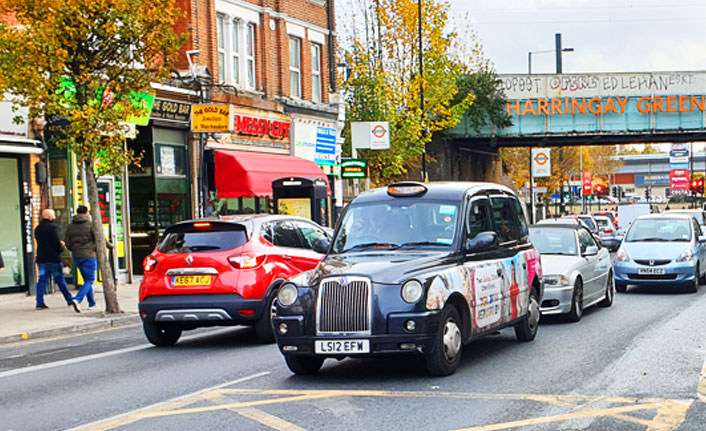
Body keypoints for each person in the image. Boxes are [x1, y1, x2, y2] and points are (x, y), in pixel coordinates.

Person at [34, 209, 74, 310]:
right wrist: (61, 246)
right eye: (53, 215)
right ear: (50, 217)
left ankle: (39, 302)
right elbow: (55, 243)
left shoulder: (38, 228)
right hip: (53, 258)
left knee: (42, 280)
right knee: (60, 280)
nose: (55, 217)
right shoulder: (52, 228)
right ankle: (69, 299)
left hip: (41, 258)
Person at [65, 205, 97, 312]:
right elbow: (98, 239)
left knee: (86, 281)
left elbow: (68, 242)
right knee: (90, 280)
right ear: (87, 213)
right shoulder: (90, 225)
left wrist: (74, 249)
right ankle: (78, 299)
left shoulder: (70, 226)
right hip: (89, 255)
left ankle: (92, 303)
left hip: (77, 256)